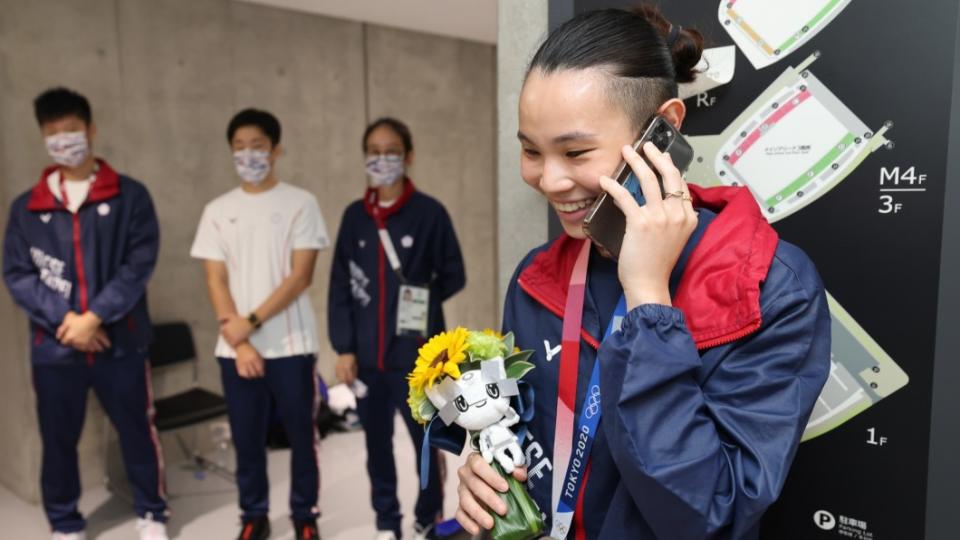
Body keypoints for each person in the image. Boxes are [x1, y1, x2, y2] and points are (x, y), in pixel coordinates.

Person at [454, 6, 832, 540]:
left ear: (665, 127)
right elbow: (522, 434)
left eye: (576, 151)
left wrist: (649, 301)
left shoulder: (772, 287)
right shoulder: (537, 276)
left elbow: (710, 517)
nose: (549, 179)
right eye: (531, 150)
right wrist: (484, 472)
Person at [2, 87, 168, 540]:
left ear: (91, 130)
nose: (63, 140)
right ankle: (65, 523)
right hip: (55, 350)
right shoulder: (26, 208)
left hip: (122, 344)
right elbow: (18, 274)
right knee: (58, 442)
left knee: (137, 431)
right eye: (52, 133)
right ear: (42, 138)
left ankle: (152, 513)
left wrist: (94, 316)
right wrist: (69, 323)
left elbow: (139, 264)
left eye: (71, 129)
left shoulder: (130, 196)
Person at [190, 109, 329, 540]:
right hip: (236, 350)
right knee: (247, 440)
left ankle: (305, 515)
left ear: (275, 149)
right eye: (239, 147)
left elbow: (300, 276)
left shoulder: (300, 202)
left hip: (291, 345)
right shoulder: (217, 210)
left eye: (257, 145)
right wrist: (240, 339)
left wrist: (248, 323)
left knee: (302, 437)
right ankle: (254, 514)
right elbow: (215, 278)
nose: (248, 154)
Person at [328, 117, 467, 540]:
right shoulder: (355, 218)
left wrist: (418, 300)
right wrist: (345, 348)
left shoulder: (430, 214)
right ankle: (386, 522)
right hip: (368, 359)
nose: (381, 159)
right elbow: (340, 286)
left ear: (408, 157)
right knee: (376, 448)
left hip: (418, 361)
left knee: (428, 446)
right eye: (374, 151)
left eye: (391, 151)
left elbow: (454, 274)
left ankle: (427, 518)